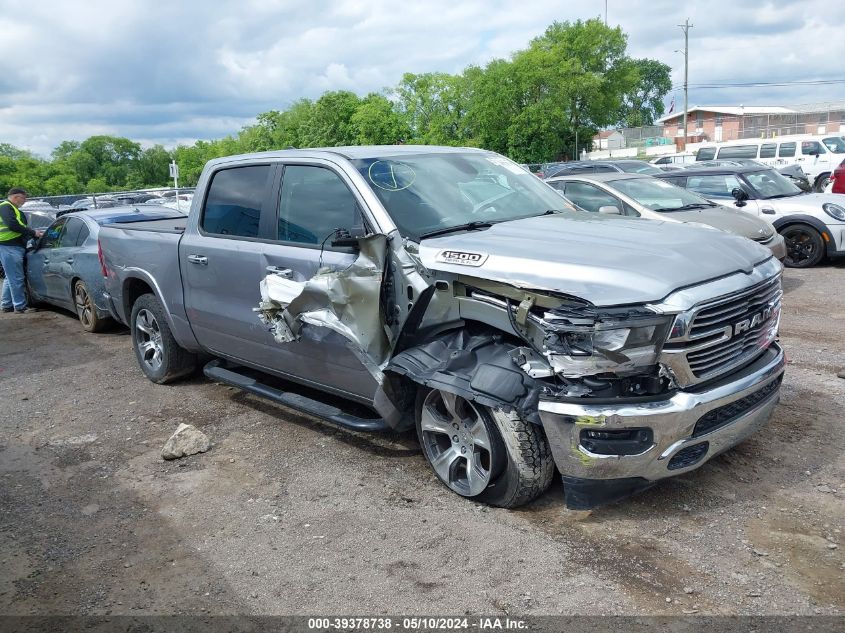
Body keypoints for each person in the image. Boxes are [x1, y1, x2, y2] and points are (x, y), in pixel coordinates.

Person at [0, 187, 44, 313]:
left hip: (10, 246)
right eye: (23, 198)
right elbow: (12, 225)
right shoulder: (5, 207)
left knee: (10, 277)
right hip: (9, 246)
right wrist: (33, 233)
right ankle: (20, 306)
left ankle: (7, 305)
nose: (25, 200)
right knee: (16, 278)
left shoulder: (10, 208)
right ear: (16, 197)